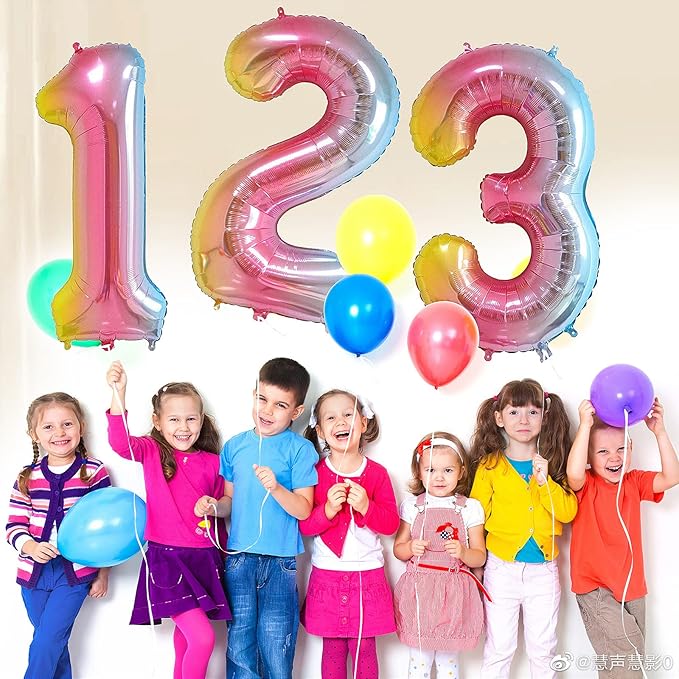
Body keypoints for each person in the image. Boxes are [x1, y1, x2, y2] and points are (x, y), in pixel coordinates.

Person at [195, 357, 318, 679]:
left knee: (276, 643)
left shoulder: (300, 450)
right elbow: (229, 502)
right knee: (239, 643)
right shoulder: (235, 447)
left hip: (280, 562)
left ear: (296, 412)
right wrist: (214, 506)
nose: (267, 410)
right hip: (239, 559)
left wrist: (276, 488)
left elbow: (304, 509)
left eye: (280, 405)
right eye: (262, 399)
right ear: (253, 394)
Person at [106, 361, 230, 679]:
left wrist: (214, 506)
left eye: (191, 418)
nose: (183, 427)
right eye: (174, 419)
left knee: (186, 639)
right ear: (157, 422)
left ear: (202, 420)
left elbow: (226, 506)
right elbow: (120, 443)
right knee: (202, 639)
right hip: (168, 562)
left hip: (204, 559)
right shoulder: (151, 452)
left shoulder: (215, 462)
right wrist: (118, 393)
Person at [469, 378, 577, 679]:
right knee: (499, 648)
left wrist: (545, 482)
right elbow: (474, 517)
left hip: (543, 571)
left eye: (533, 412)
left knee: (543, 649)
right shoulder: (490, 466)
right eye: (514, 412)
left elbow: (567, 512)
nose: (524, 420)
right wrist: (475, 564)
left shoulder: (555, 464)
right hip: (500, 569)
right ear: (499, 418)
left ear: (544, 417)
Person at [566, 397, 679, 678]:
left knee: (628, 661)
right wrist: (584, 426)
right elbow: (573, 473)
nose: (614, 457)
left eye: (620, 448)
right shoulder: (585, 484)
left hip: (632, 587)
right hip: (595, 588)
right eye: (602, 451)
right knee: (627, 658)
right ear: (589, 457)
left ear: (631, 448)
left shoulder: (635, 481)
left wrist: (660, 432)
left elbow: (671, 477)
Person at [6, 392, 111, 679]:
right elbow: (14, 525)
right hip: (33, 574)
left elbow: (105, 530)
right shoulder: (27, 477)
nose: (59, 433)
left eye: (67, 424)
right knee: (53, 643)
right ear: (34, 434)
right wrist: (30, 546)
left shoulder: (93, 471)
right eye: (48, 426)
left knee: (46, 642)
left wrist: (103, 573)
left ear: (81, 427)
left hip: (74, 573)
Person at [299, 389, 399, 679]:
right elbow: (305, 526)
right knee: (332, 649)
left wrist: (367, 506)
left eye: (348, 414)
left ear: (364, 423)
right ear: (320, 430)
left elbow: (390, 525)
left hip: (367, 575)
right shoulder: (315, 473)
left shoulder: (377, 474)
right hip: (327, 574)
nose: (341, 421)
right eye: (331, 417)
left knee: (364, 647)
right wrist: (328, 509)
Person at [393, 432, 487, 679]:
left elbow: (480, 557)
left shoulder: (469, 508)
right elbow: (398, 549)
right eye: (430, 470)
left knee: (448, 660)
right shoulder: (413, 506)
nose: (439, 477)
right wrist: (410, 547)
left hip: (453, 594)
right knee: (419, 660)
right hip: (420, 593)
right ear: (419, 472)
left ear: (461, 471)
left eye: (447, 470)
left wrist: (464, 552)